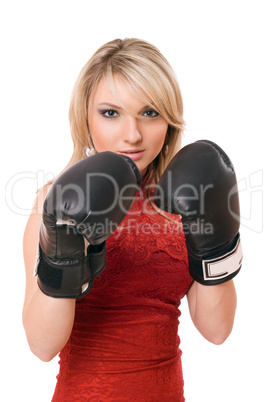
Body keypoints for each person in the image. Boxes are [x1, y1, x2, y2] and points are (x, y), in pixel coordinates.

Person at [23, 38, 242, 401]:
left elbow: (217, 330)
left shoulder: (187, 198)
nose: (133, 134)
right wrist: (65, 246)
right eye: (111, 113)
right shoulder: (56, 201)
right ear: (85, 117)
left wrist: (218, 236)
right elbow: (41, 345)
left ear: (169, 120)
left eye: (150, 112)